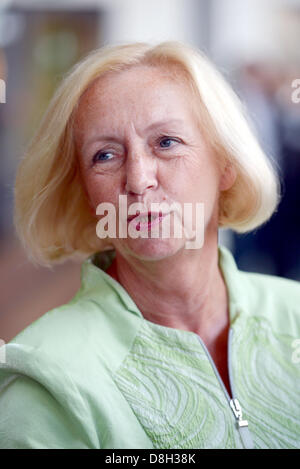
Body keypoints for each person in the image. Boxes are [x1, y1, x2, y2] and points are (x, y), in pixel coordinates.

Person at [0, 41, 299, 449]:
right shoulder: (47, 379)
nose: (139, 181)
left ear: (226, 163)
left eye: (166, 143)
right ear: (86, 192)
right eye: (105, 155)